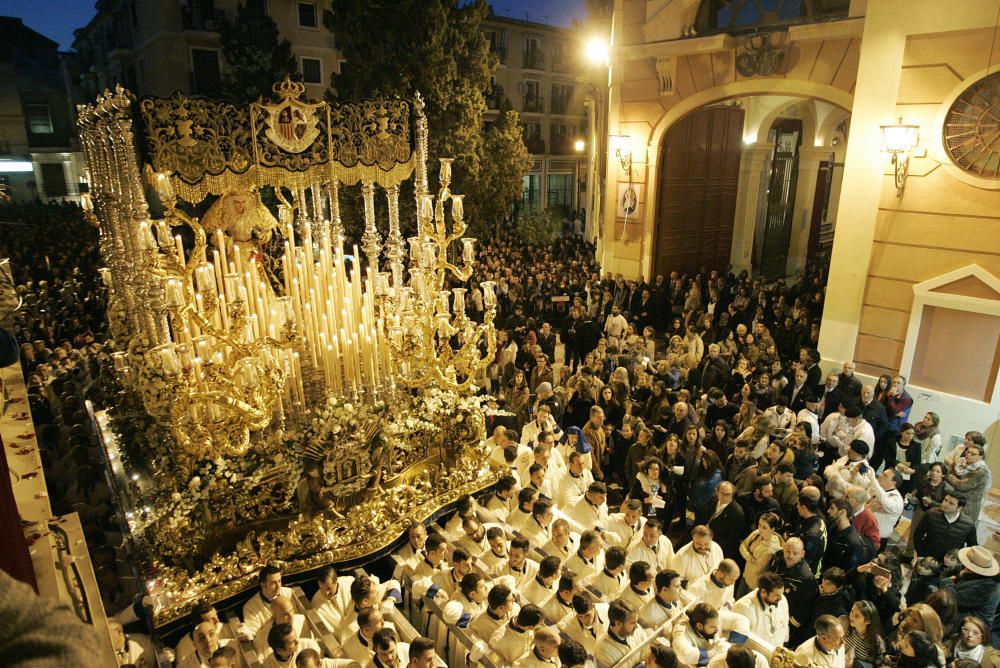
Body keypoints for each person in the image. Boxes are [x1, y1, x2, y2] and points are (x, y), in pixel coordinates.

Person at [766, 537, 816, 645]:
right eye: (787, 551)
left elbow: (803, 610)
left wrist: (788, 627)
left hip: (784, 621)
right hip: (767, 611)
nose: (790, 556)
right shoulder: (777, 560)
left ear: (802, 554)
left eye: (795, 553)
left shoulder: (806, 578)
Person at [912, 492, 979, 562]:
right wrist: (920, 555)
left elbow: (972, 546)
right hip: (927, 559)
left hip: (949, 564)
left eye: (951, 503)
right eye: (945, 500)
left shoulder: (968, 524)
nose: (945, 504)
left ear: (959, 508)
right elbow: (918, 535)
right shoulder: (931, 514)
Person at [731, 572, 790, 647]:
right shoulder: (743, 607)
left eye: (781, 594)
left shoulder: (782, 600)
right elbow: (736, 642)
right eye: (776, 595)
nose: (780, 598)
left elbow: (785, 625)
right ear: (763, 592)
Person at [952, 546, 1000, 628]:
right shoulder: (978, 575)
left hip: (974, 623)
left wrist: (948, 582)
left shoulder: (988, 587)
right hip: (965, 613)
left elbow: (954, 599)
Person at [242, 565, 294, 638]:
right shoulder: (250, 607)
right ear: (263, 585)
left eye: (279, 581)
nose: (278, 586)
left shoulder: (289, 594)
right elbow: (254, 636)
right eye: (273, 583)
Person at [595, 599, 650, 668]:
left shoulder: (637, 630)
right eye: (632, 623)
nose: (636, 626)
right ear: (618, 623)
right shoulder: (602, 651)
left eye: (636, 622)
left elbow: (647, 653)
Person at [739, 512, 784, 591]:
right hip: (745, 575)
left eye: (764, 527)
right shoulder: (757, 533)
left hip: (755, 584)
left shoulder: (772, 549)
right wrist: (750, 558)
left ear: (772, 529)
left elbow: (758, 567)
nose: (760, 529)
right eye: (759, 525)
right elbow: (742, 546)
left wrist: (747, 555)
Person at [707, 482, 748, 561]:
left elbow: (731, 540)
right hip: (707, 537)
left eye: (728, 494)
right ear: (717, 492)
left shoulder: (737, 513)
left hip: (719, 547)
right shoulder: (713, 500)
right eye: (722, 493)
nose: (724, 497)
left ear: (732, 495)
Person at [843, 600, 884, 668]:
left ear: (868, 621)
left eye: (856, 616)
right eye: (852, 611)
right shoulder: (845, 625)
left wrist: (855, 664)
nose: (851, 616)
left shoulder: (876, 641)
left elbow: (877, 664)